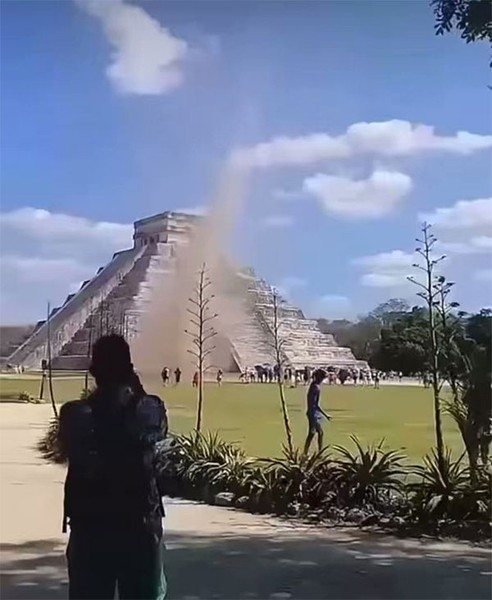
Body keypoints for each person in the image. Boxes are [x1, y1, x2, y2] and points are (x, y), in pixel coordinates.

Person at [58, 334, 168, 600]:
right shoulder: (147, 410)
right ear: (129, 371)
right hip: (138, 525)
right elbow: (156, 424)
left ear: (93, 372)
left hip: (90, 526)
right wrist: (136, 390)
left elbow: (68, 446)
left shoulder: (75, 414)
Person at [303, 369, 330, 454]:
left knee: (319, 433)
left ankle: (317, 452)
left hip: (312, 412)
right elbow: (315, 404)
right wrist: (325, 414)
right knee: (312, 433)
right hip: (313, 413)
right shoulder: (316, 388)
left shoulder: (313, 385)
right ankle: (306, 452)